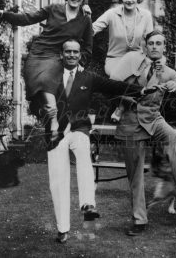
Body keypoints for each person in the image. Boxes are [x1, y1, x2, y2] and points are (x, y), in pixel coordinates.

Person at [48, 38, 158, 243]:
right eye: (68, 52)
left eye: (75, 52)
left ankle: (88, 204)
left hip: (79, 129)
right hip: (55, 132)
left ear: (80, 55)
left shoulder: (88, 77)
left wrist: (140, 91)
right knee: (58, 181)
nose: (72, 55)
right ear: (61, 54)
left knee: (83, 155)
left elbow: (113, 86)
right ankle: (63, 229)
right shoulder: (49, 76)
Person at [115, 30, 176, 236]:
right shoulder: (133, 65)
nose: (154, 46)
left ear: (164, 48)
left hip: (153, 119)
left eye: (158, 44)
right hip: (131, 121)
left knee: (173, 135)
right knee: (135, 175)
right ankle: (139, 220)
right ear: (146, 47)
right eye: (151, 43)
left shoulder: (169, 72)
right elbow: (116, 90)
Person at [0, 0, 92, 149]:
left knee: (51, 86)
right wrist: (5, 14)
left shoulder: (85, 19)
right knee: (40, 85)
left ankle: (54, 124)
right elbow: (29, 18)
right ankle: (53, 122)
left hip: (58, 57)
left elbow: (88, 46)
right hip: (39, 53)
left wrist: (81, 63)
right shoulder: (54, 9)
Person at [92, 0, 153, 121]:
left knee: (141, 74)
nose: (130, 0)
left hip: (137, 59)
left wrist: (152, 57)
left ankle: (120, 107)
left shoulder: (146, 15)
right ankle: (125, 104)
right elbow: (93, 28)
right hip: (115, 58)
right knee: (116, 78)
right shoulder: (112, 14)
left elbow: (150, 39)